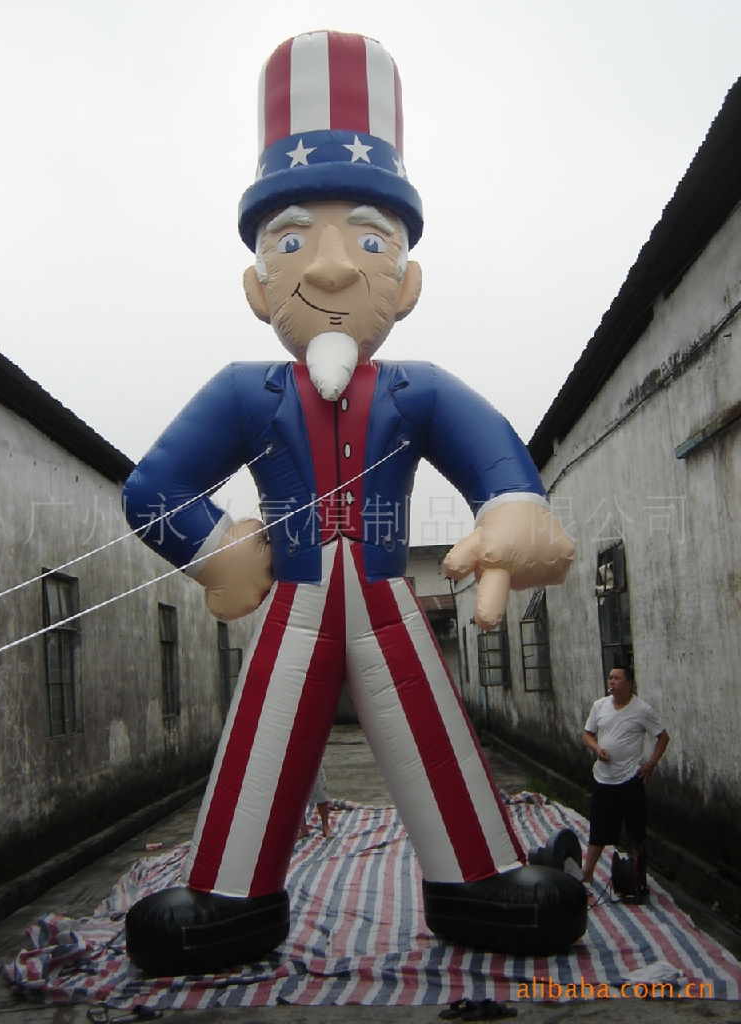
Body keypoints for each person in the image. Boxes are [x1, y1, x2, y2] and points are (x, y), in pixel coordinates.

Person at [122, 31, 580, 976]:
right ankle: (231, 892)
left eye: (369, 240)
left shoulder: (419, 390)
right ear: (258, 286)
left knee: (427, 729)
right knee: (266, 737)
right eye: (292, 240)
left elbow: (497, 463)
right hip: (292, 601)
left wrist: (513, 509)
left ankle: (477, 877)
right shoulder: (246, 392)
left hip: (384, 597)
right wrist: (212, 546)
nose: (331, 270)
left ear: (405, 281)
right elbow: (154, 487)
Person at [581, 666, 669, 886]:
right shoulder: (599, 706)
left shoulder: (642, 710)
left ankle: (638, 878)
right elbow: (587, 735)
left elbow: (663, 737)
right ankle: (587, 874)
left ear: (628, 683)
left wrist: (651, 764)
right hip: (604, 779)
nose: (611, 681)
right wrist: (596, 749)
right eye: (610, 678)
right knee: (598, 830)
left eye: (617, 678)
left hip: (630, 780)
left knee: (636, 832)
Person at [298, 765, 334, 840]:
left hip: (312, 764)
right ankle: (303, 828)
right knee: (297, 797)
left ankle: (326, 827)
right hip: (294, 764)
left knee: (321, 793)